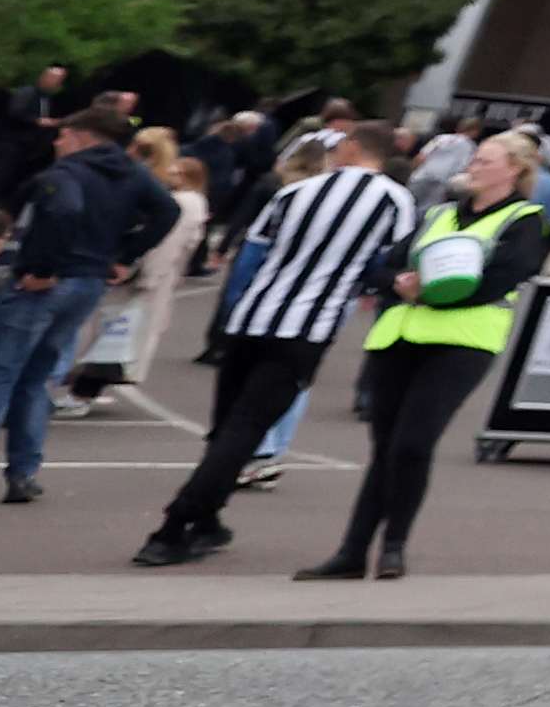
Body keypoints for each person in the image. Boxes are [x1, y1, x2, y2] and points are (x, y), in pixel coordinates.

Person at [135, 123, 410, 566]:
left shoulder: (295, 192)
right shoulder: (397, 201)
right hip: (306, 329)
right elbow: (384, 270)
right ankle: (175, 525)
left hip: (252, 319)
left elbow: (251, 257)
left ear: (355, 148)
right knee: (246, 429)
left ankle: (205, 519)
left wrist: (231, 318)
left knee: (226, 426)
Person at [301, 131, 550, 581]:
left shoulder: (524, 218)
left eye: (484, 161)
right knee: (384, 450)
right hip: (399, 337)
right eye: (474, 159)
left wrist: (433, 294)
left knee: (413, 445)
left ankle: (394, 546)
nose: (472, 166)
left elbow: (505, 276)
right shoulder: (437, 213)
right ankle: (353, 552)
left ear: (514, 169)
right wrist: (397, 282)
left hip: (462, 342)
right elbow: (384, 265)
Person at [0, 108, 173, 507]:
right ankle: (24, 472)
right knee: (36, 376)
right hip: (90, 280)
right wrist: (123, 255)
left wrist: (42, 267)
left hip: (46, 282)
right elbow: (167, 211)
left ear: (84, 136)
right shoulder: (132, 174)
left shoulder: (64, 176)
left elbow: (64, 210)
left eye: (64, 135)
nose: (57, 142)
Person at [72, 124, 206, 403]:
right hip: (134, 271)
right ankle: (84, 388)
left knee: (111, 333)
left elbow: (168, 245)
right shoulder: (156, 189)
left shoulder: (168, 195)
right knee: (111, 333)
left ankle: (84, 390)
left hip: (134, 274)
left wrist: (144, 274)